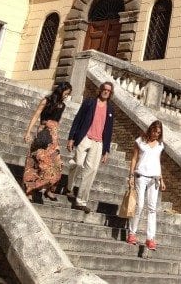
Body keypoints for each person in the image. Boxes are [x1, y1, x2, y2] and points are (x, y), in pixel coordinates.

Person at [65, 81, 115, 213]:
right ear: (100, 90)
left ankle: (81, 201)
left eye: (109, 90)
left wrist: (106, 150)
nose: (106, 91)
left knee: (91, 171)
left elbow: (109, 130)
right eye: (104, 89)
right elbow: (78, 119)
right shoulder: (89, 102)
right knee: (78, 163)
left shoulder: (110, 109)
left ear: (110, 93)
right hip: (85, 137)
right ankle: (69, 187)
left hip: (98, 142)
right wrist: (71, 138)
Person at [23, 82, 72, 201]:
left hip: (53, 136)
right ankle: (30, 190)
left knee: (57, 164)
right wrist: (28, 132)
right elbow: (36, 116)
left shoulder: (62, 105)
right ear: (61, 90)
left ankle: (50, 189)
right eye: (66, 93)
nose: (66, 96)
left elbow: (57, 122)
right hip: (43, 132)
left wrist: (54, 134)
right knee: (35, 162)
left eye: (68, 94)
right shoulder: (46, 101)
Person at [126, 120, 166, 251]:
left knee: (152, 208)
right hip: (141, 176)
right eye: (155, 131)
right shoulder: (140, 141)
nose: (156, 134)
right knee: (140, 205)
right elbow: (134, 158)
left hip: (154, 178)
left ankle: (150, 238)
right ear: (151, 129)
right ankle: (132, 233)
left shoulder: (160, 145)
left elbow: (157, 162)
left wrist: (162, 179)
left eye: (159, 133)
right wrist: (130, 176)